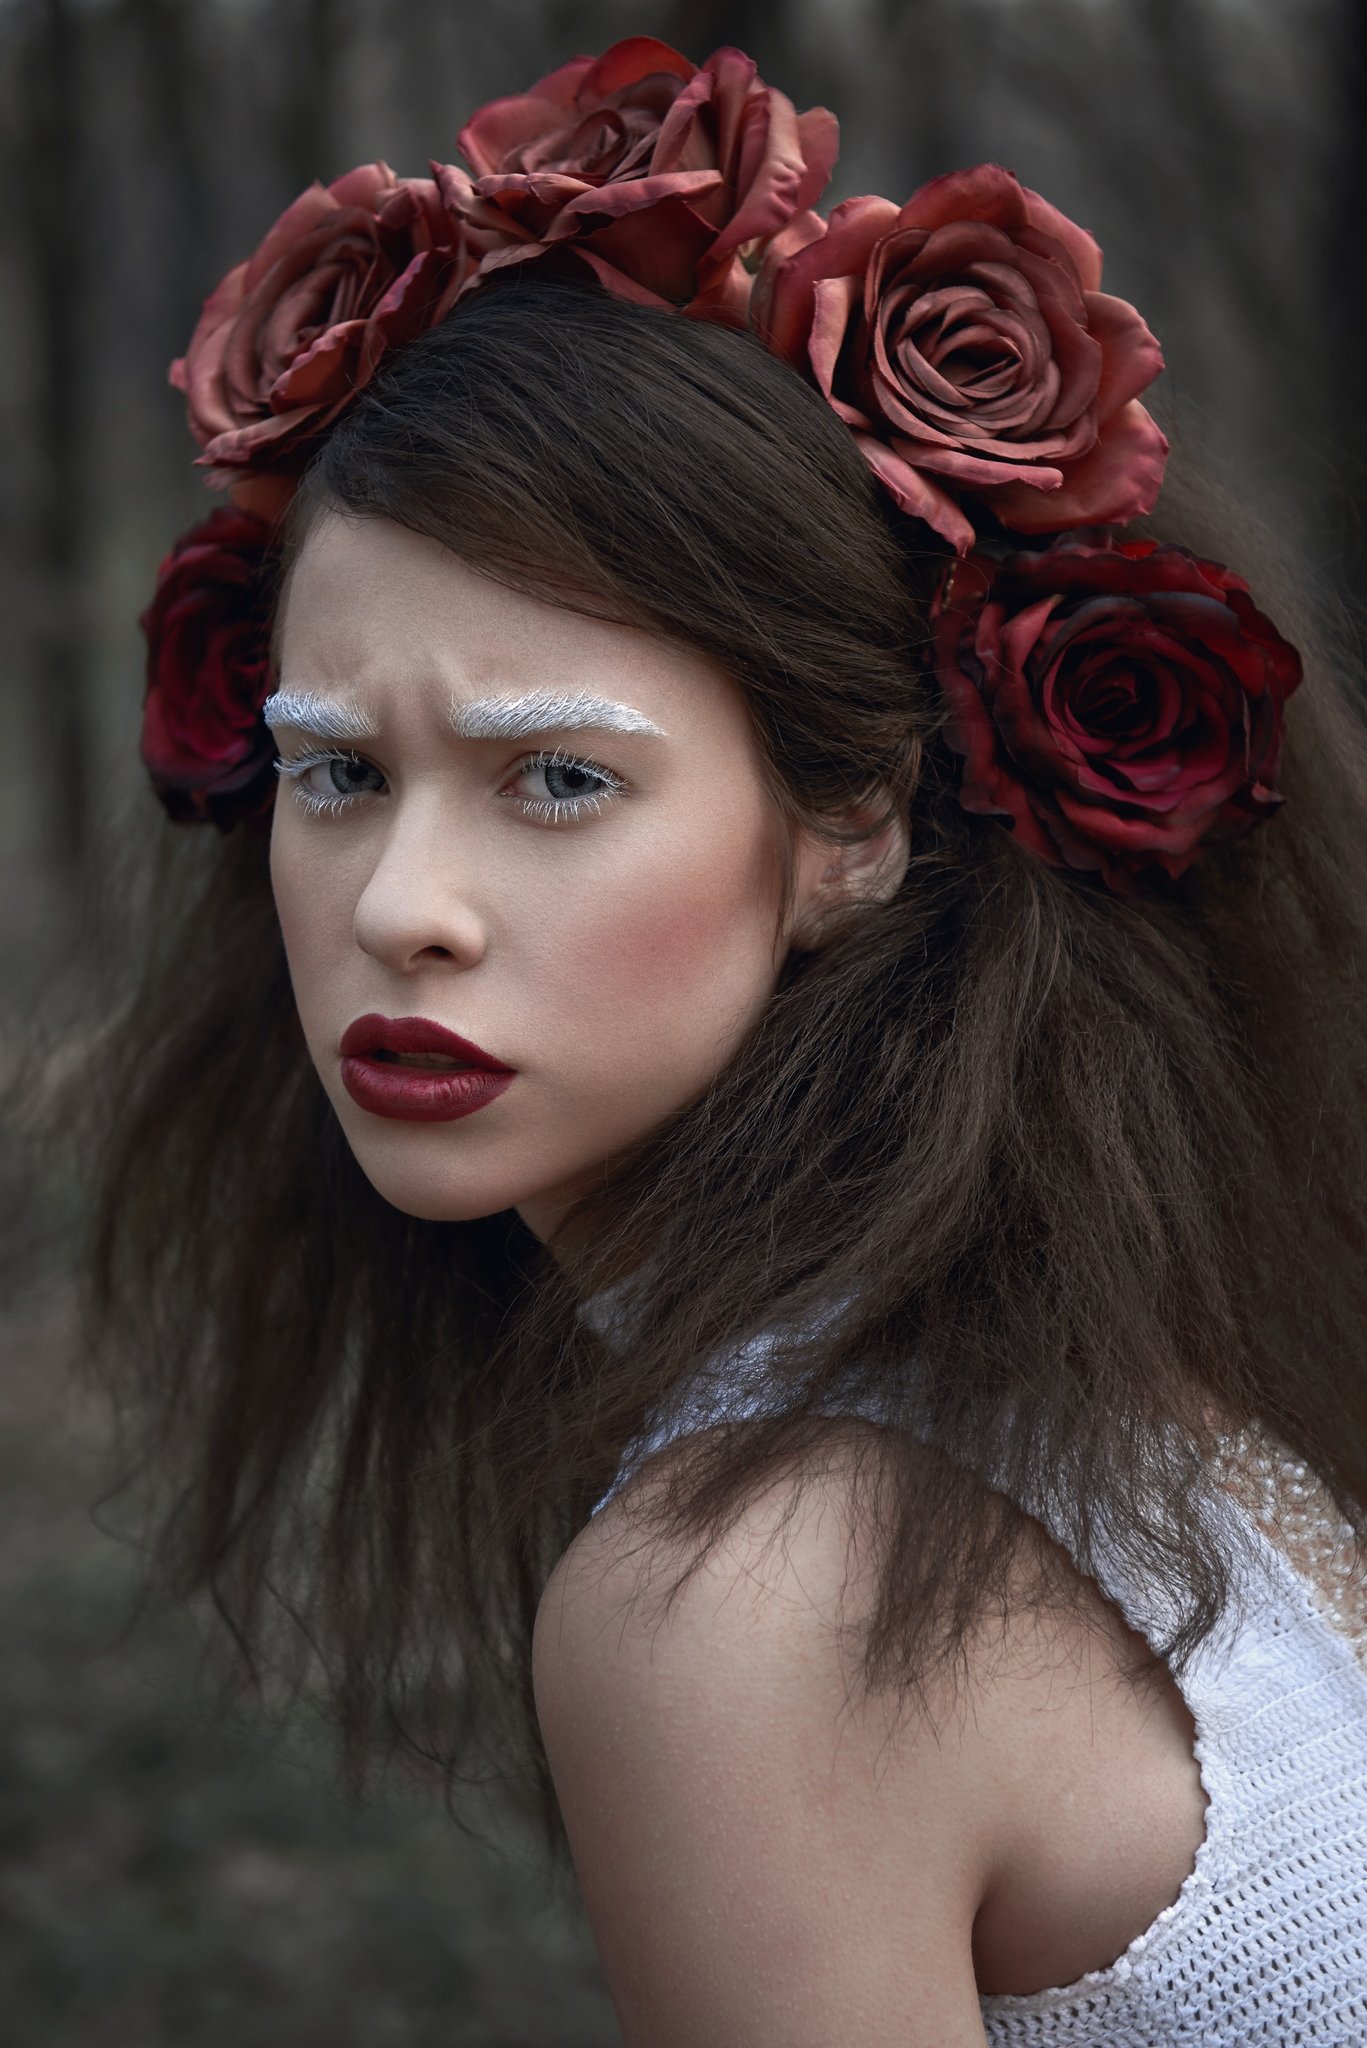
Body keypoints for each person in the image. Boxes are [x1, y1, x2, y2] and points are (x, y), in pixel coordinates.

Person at [33, 33, 1367, 2045]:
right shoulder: (1107, 1375)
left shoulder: (751, 1596)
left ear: (856, 827)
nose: (402, 907)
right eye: (338, 773)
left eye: (559, 779)